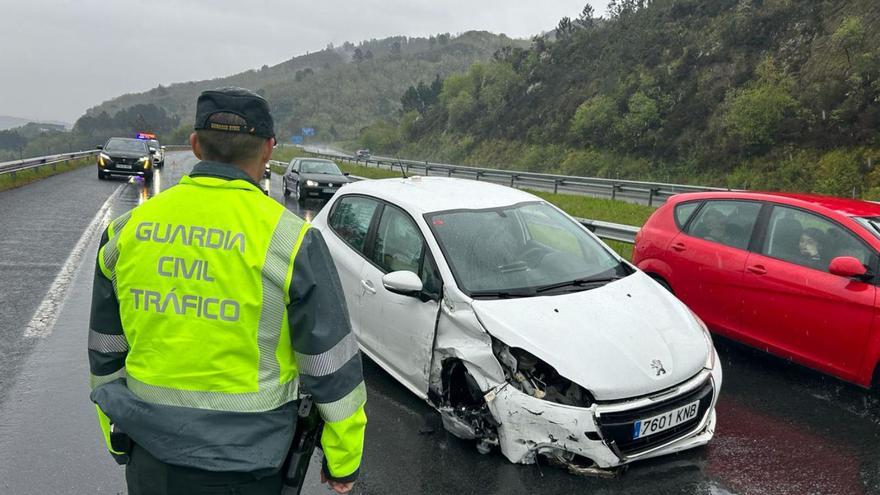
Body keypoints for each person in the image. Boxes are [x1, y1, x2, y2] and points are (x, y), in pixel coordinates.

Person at [87, 87, 366, 494]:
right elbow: (331, 367)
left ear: (196, 145)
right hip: (253, 466)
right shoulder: (292, 241)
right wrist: (343, 462)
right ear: (269, 149)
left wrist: (117, 435)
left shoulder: (125, 231)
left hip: (151, 458)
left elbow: (105, 355)